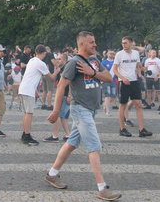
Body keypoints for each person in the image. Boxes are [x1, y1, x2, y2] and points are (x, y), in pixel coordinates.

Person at [44, 31, 121, 201]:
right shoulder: (74, 62)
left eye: (95, 41)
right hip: (80, 110)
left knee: (72, 143)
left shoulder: (93, 60)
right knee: (94, 146)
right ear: (82, 44)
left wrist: (92, 72)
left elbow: (108, 78)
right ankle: (102, 188)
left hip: (91, 110)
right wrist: (56, 111)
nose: (95, 44)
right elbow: (61, 85)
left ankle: (52, 174)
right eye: (92, 42)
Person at [18, 45, 60, 146]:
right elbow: (52, 78)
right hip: (28, 90)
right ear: (44, 53)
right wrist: (56, 71)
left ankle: (25, 134)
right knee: (29, 113)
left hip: (23, 88)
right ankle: (27, 136)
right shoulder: (41, 64)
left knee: (26, 113)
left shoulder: (32, 60)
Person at [112, 36, 152, 138]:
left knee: (138, 104)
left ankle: (141, 129)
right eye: (122, 43)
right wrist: (122, 78)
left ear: (131, 43)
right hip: (124, 82)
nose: (123, 45)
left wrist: (140, 72)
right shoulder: (119, 55)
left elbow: (137, 65)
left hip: (134, 81)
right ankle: (122, 128)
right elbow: (115, 69)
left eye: (125, 43)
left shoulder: (135, 53)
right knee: (123, 105)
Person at [43, 53, 71, 142]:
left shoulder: (67, 69)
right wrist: (56, 71)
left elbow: (71, 83)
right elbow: (54, 80)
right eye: (57, 59)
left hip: (65, 95)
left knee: (58, 115)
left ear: (65, 60)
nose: (57, 60)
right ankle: (68, 135)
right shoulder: (61, 69)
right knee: (63, 117)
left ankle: (55, 136)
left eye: (59, 59)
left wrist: (69, 95)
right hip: (62, 94)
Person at [101, 50, 117, 116]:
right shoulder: (104, 62)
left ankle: (105, 104)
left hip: (113, 81)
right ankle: (107, 111)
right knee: (107, 95)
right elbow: (101, 71)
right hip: (106, 80)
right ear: (107, 54)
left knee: (113, 96)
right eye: (110, 53)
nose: (111, 55)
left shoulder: (116, 62)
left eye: (113, 54)